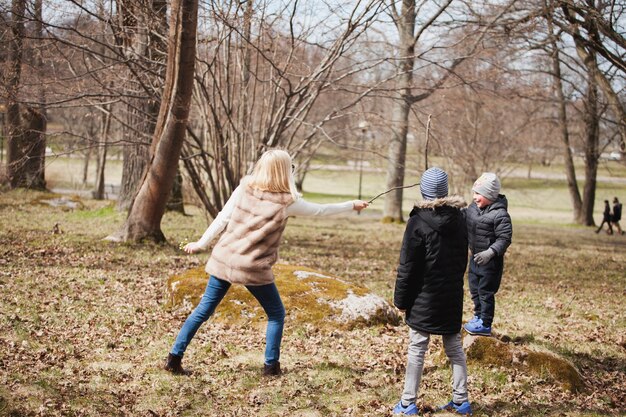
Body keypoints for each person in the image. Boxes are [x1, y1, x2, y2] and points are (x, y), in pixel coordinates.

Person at [164, 149, 369, 376]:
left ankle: (174, 358)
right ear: (284, 172)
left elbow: (223, 217)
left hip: (224, 257)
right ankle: (271, 367)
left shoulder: (244, 188)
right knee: (276, 313)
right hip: (252, 265)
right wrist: (351, 204)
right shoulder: (287, 202)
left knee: (203, 310)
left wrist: (202, 243)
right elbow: (321, 210)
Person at [392, 167, 472, 416]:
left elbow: (408, 266)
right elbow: (462, 260)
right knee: (454, 347)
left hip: (423, 297)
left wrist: (401, 300)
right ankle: (461, 400)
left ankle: (407, 404)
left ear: (424, 191)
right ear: (445, 192)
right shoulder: (460, 219)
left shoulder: (417, 222)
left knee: (417, 348)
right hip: (450, 295)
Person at [463, 172, 512, 337]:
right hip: (474, 259)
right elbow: (463, 219)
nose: (475, 197)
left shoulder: (500, 215)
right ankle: (477, 315)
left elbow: (504, 238)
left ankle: (485, 322)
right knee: (474, 290)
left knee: (485, 292)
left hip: (490, 263)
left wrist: (490, 252)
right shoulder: (472, 209)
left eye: (479, 194)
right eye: (475, 193)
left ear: (491, 195)